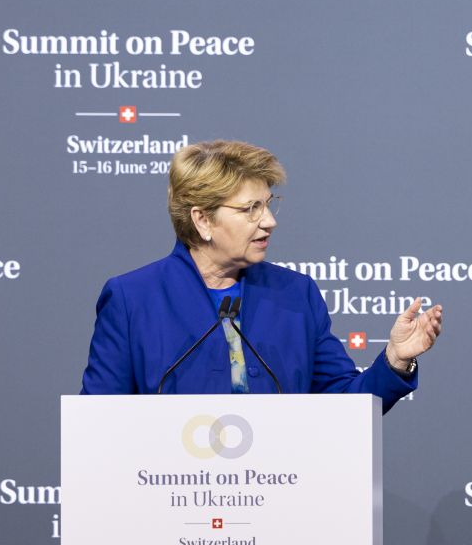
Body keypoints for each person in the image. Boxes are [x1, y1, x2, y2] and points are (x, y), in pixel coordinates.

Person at [81, 140, 441, 405]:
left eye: (268, 206)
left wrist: (395, 359)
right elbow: (98, 423)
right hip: (171, 497)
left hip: (276, 496)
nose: (268, 222)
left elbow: (344, 407)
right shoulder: (134, 299)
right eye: (250, 209)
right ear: (202, 219)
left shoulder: (295, 294)